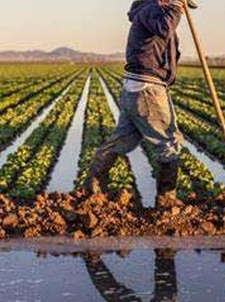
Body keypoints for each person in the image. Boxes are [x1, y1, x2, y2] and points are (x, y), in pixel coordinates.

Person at [85, 0, 197, 207]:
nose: (182, 8)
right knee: (169, 142)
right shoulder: (152, 10)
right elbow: (165, 28)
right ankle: (166, 199)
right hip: (148, 89)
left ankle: (93, 184)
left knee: (123, 140)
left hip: (136, 88)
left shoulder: (150, 12)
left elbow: (167, 45)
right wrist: (175, 7)